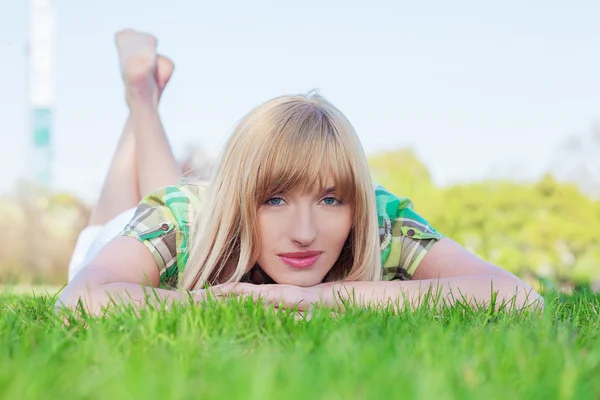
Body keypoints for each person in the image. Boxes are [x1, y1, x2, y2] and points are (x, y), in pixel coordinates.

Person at [57, 29, 543, 316]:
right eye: (275, 199)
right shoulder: (184, 218)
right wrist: (223, 302)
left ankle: (143, 91)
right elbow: (80, 297)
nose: (306, 233)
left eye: (331, 199)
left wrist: (327, 296)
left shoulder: (378, 220)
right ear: (242, 197)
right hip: (135, 232)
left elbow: (519, 298)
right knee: (126, 218)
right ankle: (141, 96)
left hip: (196, 221)